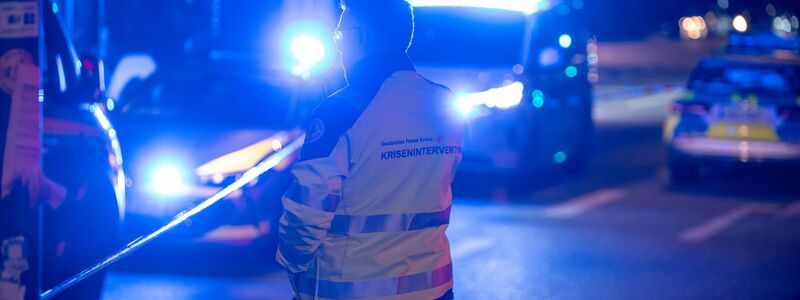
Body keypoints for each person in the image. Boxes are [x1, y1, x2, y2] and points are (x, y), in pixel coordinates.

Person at [275, 0, 462, 299]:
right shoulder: (444, 103)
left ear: (360, 37)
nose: (338, 46)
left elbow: (307, 208)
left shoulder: (341, 112)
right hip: (434, 289)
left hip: (352, 289)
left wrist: (293, 263)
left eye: (339, 35)